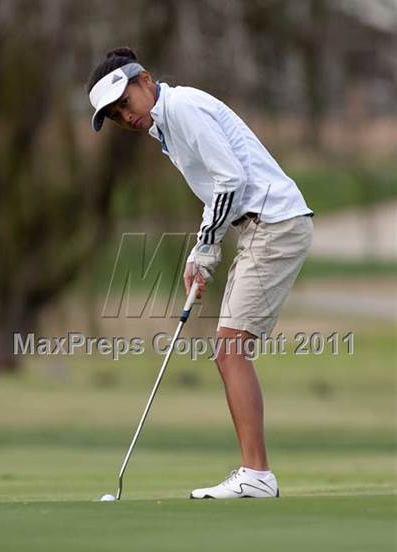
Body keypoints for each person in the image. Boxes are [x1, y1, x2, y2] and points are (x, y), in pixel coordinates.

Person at [87, 47, 313, 499]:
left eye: (124, 104)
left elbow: (230, 180)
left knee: (230, 349)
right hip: (262, 227)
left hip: (273, 225)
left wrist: (208, 249)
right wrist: (199, 253)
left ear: (145, 80)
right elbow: (218, 190)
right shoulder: (166, 126)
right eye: (113, 116)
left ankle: (257, 475)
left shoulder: (183, 108)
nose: (124, 118)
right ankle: (256, 474)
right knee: (229, 349)